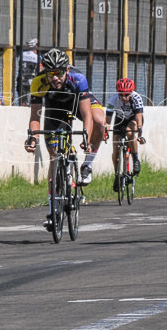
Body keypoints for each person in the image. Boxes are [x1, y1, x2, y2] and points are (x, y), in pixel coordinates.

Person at [24, 48, 96, 230]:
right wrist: (33, 138)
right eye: (51, 74)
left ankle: (75, 172)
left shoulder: (78, 79)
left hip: (74, 105)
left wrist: (86, 139)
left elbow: (87, 115)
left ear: (67, 70)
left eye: (59, 73)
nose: (55, 78)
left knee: (97, 119)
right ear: (45, 72)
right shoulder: (38, 83)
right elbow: (35, 117)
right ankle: (53, 210)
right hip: (53, 109)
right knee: (54, 156)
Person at [105, 77, 146, 191]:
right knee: (116, 149)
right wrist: (106, 132)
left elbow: (139, 117)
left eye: (126, 95)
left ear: (131, 93)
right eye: (121, 95)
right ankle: (117, 175)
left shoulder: (136, 98)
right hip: (120, 119)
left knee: (129, 131)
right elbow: (108, 120)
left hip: (133, 119)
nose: (124, 97)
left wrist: (140, 133)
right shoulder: (113, 100)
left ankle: (136, 158)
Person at [18, 38, 40, 105]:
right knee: (32, 100)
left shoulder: (22, 55)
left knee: (22, 100)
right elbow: (39, 70)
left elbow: (19, 67)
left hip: (22, 80)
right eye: (37, 45)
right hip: (32, 81)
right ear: (35, 46)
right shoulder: (36, 57)